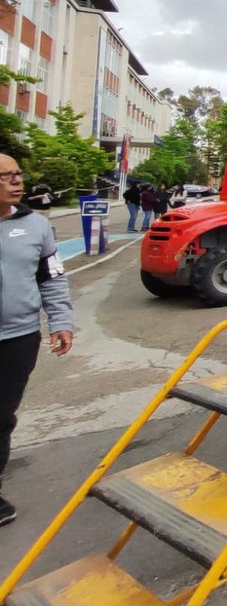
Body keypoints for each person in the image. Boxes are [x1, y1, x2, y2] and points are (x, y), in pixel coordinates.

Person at [0, 153, 74, 526]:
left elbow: (52, 278)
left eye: (18, 174)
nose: (17, 181)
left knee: (1, 416)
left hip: (17, 338)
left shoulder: (37, 227)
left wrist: (61, 321)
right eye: (5, 176)